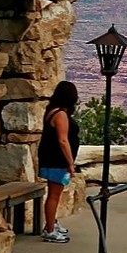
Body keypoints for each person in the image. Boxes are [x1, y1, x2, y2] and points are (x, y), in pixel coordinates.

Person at [36, 80, 79, 243]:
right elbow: (62, 140)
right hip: (56, 160)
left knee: (55, 193)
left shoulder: (52, 110)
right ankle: (49, 230)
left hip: (51, 158)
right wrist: (70, 163)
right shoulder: (60, 114)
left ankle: (52, 222)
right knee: (54, 195)